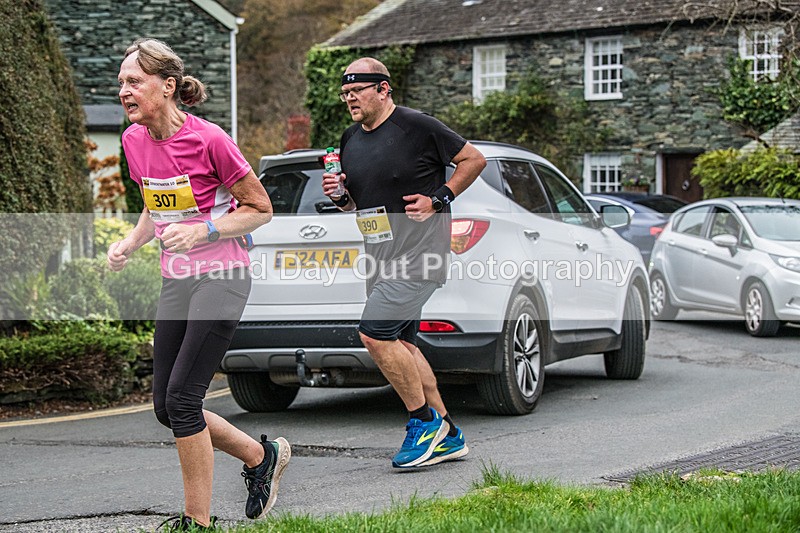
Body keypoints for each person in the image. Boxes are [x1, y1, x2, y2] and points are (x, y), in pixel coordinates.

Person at [107, 38, 290, 530]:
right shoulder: (133, 140)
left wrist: (205, 230)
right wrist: (131, 243)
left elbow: (260, 209)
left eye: (134, 81)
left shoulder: (210, 140)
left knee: (185, 400)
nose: (124, 91)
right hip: (177, 280)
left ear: (168, 86)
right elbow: (154, 206)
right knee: (166, 407)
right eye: (121, 82)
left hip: (222, 276)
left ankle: (197, 521)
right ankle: (260, 456)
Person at [322, 57, 487, 468]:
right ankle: (448, 432)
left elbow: (474, 160)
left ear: (383, 89)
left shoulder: (418, 126)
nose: (350, 99)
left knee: (375, 335)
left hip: (421, 254)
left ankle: (423, 422)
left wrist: (439, 199)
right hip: (379, 256)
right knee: (405, 346)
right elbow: (358, 203)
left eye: (356, 91)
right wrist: (340, 196)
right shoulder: (349, 138)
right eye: (344, 93)